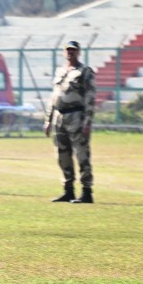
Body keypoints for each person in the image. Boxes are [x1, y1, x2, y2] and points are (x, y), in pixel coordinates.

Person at [44, 40, 96, 204]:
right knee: (62, 155)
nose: (70, 52)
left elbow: (90, 97)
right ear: (64, 52)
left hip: (76, 116)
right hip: (59, 116)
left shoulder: (84, 71)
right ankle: (68, 190)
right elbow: (54, 97)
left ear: (78, 52)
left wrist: (87, 121)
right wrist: (48, 119)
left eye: (73, 50)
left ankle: (86, 192)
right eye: (68, 50)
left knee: (81, 154)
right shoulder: (60, 71)